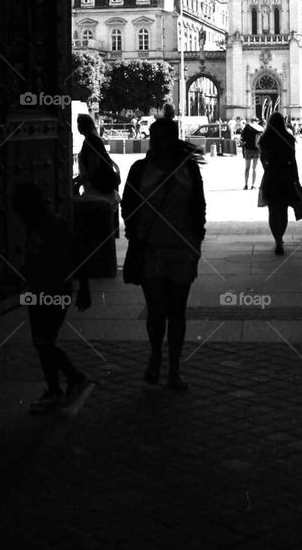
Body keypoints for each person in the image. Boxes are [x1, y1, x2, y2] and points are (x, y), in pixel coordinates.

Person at [121, 117, 206, 390]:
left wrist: (197, 239)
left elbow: (199, 206)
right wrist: (135, 235)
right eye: (156, 139)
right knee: (157, 310)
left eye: (165, 138)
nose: (160, 144)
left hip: (182, 249)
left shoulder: (188, 169)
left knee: (177, 310)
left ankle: (174, 369)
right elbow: (128, 206)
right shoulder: (139, 169)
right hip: (150, 249)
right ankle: (157, 354)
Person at [11, 180, 91, 413]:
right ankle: (56, 389)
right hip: (41, 290)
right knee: (43, 342)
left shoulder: (52, 226)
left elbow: (77, 255)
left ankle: (72, 379)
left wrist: (84, 289)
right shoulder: (37, 224)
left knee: (43, 341)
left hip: (53, 291)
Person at [74, 113, 120, 275]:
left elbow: (93, 167)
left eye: (79, 124)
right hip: (99, 186)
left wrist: (79, 181)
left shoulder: (91, 141)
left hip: (97, 188)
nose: (78, 127)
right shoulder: (93, 139)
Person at [258, 112, 301, 256]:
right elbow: (293, 161)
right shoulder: (288, 138)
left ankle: (277, 239)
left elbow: (263, 159)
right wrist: (296, 180)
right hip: (285, 177)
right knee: (283, 210)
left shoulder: (264, 139)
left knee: (272, 211)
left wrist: (268, 169)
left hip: (271, 177)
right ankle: (280, 238)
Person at [240, 119, 260, 190]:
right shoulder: (259, 128)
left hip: (248, 150)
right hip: (256, 150)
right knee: (254, 168)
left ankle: (246, 185)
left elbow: (242, 140)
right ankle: (253, 185)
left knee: (247, 168)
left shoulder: (246, 128)